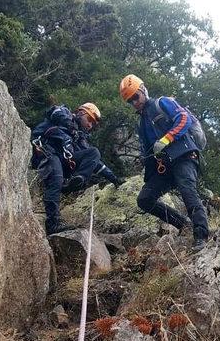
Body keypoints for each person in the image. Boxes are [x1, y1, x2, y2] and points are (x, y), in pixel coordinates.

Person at [119, 74, 209, 250]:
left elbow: (184, 118)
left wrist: (167, 138)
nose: (135, 103)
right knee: (145, 199)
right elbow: (148, 150)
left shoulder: (162, 102)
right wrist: (145, 164)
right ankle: (183, 224)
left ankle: (201, 236)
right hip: (165, 167)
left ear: (143, 90)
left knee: (188, 191)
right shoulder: (141, 123)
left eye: (135, 97)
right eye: (130, 101)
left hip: (183, 156)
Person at [31, 102, 121, 235]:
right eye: (90, 119)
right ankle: (53, 224)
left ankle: (77, 179)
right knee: (56, 176)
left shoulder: (79, 138)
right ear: (81, 113)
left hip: (63, 160)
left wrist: (113, 178)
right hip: (46, 150)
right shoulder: (65, 113)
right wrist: (70, 126)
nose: (90, 125)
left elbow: (95, 162)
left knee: (93, 152)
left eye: (93, 124)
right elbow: (56, 113)